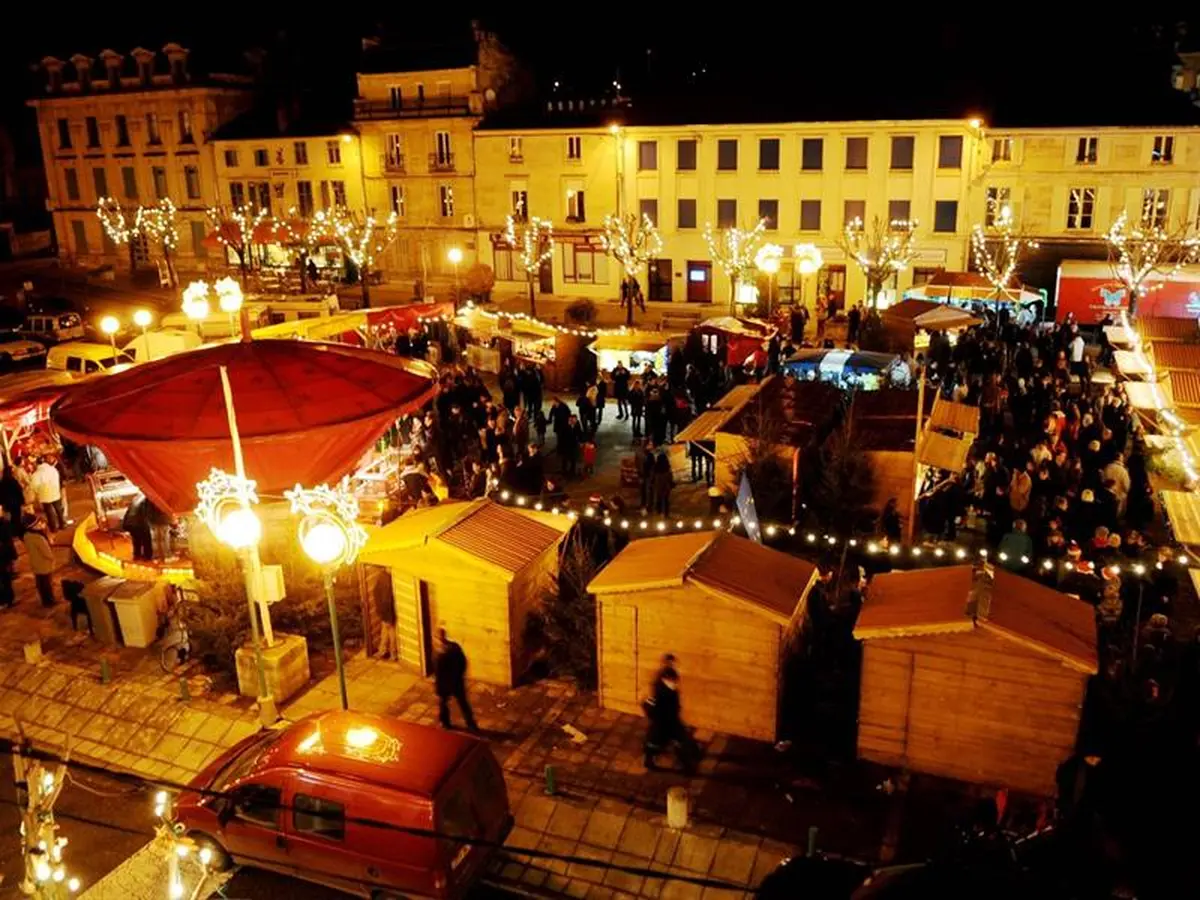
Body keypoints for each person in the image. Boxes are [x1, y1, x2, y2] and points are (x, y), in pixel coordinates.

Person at [643, 665, 698, 773]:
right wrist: (658, 718)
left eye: (675, 681)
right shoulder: (660, 694)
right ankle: (649, 761)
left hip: (671, 722)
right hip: (662, 725)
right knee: (655, 744)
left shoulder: (671, 691)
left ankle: (688, 764)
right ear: (664, 680)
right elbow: (650, 707)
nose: (674, 683)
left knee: (680, 741)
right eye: (672, 681)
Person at [434, 628, 478, 732]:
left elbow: (438, 671)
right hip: (455, 682)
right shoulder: (454, 647)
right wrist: (459, 675)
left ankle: (445, 723)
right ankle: (470, 724)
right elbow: (463, 662)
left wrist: (439, 684)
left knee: (445, 703)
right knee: (461, 703)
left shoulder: (441, 652)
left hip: (447, 683)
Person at [22, 515, 56, 607]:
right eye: (38, 523)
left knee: (40, 583)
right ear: (33, 526)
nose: (41, 524)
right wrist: (52, 558)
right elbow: (47, 553)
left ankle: (45, 601)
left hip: (35, 563)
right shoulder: (39, 538)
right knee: (47, 584)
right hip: (44, 564)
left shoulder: (27, 536)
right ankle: (50, 601)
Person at [29, 456, 63, 532]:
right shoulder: (52, 469)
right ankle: (62, 524)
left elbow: (34, 485)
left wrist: (37, 492)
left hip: (44, 495)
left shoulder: (36, 474)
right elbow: (57, 478)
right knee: (59, 509)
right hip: (55, 491)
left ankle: (53, 528)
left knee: (49, 512)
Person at [375, 577, 397, 661]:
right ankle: (384, 651)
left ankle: (390, 653)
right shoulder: (387, 581)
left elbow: (385, 600)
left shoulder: (383, 581)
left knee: (389, 633)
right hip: (388, 613)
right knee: (386, 632)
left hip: (387, 613)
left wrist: (385, 615)